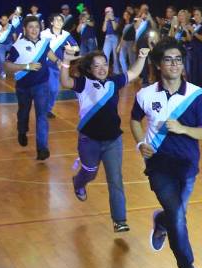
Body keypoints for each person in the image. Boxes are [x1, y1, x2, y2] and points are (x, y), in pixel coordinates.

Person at [131, 40, 202, 268]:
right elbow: (134, 120)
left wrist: (183, 128)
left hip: (187, 166)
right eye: (168, 59)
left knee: (174, 216)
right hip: (158, 164)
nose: (175, 64)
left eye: (178, 59)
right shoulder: (145, 94)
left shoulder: (196, 95)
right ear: (157, 64)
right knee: (178, 215)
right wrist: (141, 142)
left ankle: (160, 221)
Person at [60, 44, 149, 232]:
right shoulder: (83, 83)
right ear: (89, 69)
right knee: (90, 172)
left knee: (115, 179)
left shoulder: (114, 82)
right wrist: (67, 61)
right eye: (97, 66)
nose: (102, 69)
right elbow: (66, 82)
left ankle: (120, 220)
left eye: (104, 65)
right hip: (89, 140)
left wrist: (141, 56)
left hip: (113, 141)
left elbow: (133, 73)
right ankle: (78, 182)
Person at [4, 16, 54, 161]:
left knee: (42, 116)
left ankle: (42, 148)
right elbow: (6, 66)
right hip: (23, 87)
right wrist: (26, 66)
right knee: (23, 112)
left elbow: (48, 53)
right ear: (25, 29)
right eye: (31, 27)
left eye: (37, 27)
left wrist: (57, 61)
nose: (34, 30)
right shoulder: (17, 46)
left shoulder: (45, 43)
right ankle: (21, 130)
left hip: (42, 85)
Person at [41, 14, 77, 119]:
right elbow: (43, 49)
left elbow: (76, 47)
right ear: (52, 22)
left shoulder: (65, 34)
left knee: (54, 89)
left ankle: (47, 109)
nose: (60, 22)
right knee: (47, 88)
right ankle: (44, 108)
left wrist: (71, 49)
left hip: (57, 66)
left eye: (61, 20)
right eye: (57, 20)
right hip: (44, 64)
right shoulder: (44, 34)